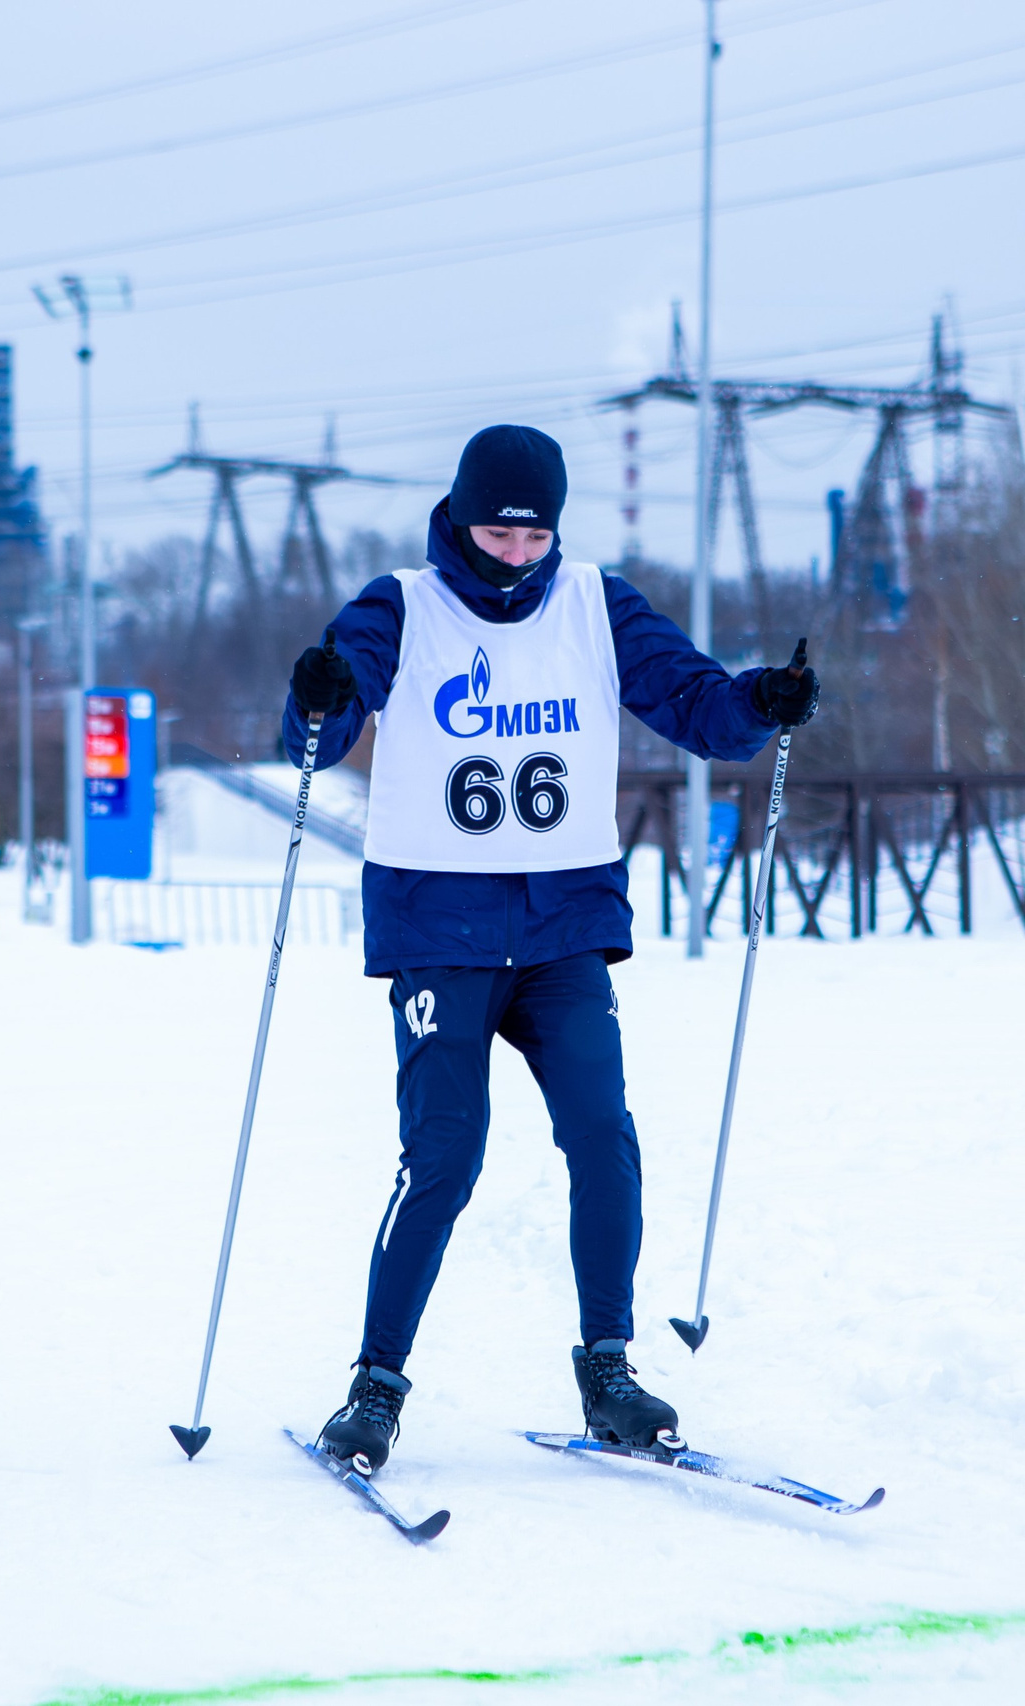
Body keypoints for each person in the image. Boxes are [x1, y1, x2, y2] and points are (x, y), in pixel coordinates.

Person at [282, 423, 818, 1473]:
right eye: (496, 531)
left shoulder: (595, 602)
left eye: (536, 537)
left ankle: (608, 1368)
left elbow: (695, 704)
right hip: (440, 925)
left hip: (564, 922)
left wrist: (758, 700)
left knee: (601, 1133)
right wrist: (320, 693)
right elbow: (322, 717)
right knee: (446, 1152)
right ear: (460, 514)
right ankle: (374, 1386)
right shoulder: (401, 603)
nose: (516, 555)